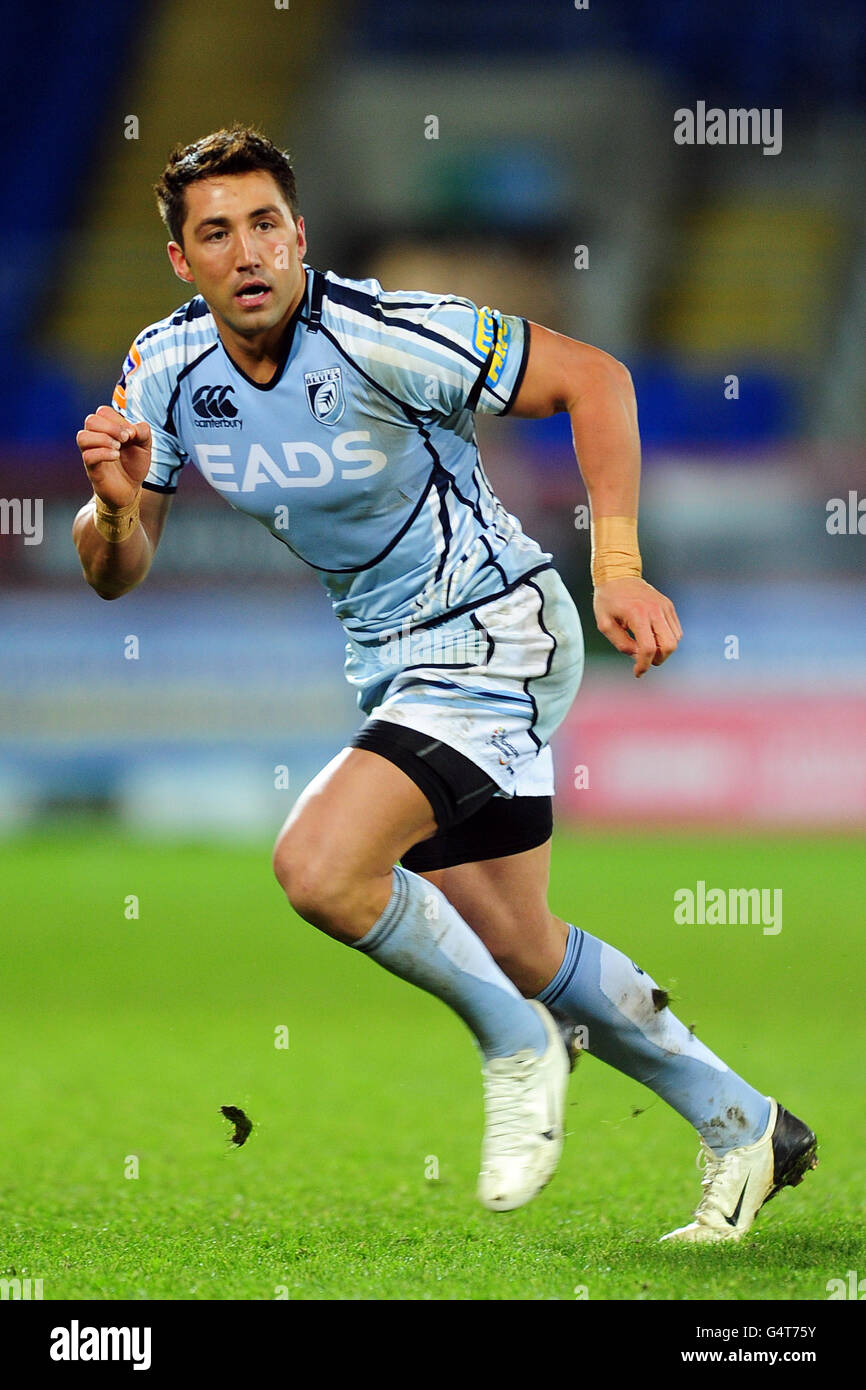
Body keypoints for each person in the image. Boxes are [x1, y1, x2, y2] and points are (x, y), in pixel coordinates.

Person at [73, 126, 816, 1239]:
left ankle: (515, 1044)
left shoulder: (383, 332)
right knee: (519, 942)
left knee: (319, 866)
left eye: (265, 222)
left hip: (495, 633)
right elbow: (117, 576)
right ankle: (745, 1121)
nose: (247, 251)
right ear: (183, 262)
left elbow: (594, 379)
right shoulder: (165, 367)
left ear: (299, 233)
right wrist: (116, 508)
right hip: (396, 665)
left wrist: (616, 567)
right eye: (216, 233)